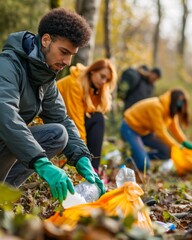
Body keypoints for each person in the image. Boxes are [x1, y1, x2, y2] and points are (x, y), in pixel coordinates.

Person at [0, 8, 106, 203]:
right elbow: (5, 116)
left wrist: (83, 157)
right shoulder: (7, 65)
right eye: (63, 52)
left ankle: (2, 192)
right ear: (46, 40)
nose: (67, 61)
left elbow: (61, 119)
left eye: (72, 55)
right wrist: (41, 162)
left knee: (58, 133)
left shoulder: (45, 77)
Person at [57, 59, 117, 172]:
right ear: (93, 71)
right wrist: (82, 154)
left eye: (107, 79)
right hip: (50, 122)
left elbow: (88, 115)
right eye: (102, 76)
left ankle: (93, 169)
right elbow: (77, 121)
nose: (104, 82)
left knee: (97, 118)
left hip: (64, 122)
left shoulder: (92, 88)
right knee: (97, 119)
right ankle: (87, 168)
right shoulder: (74, 83)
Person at [120, 88, 192, 172]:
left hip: (145, 132)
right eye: (180, 102)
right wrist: (177, 146)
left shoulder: (171, 110)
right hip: (130, 128)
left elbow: (175, 129)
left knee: (169, 152)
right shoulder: (156, 106)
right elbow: (160, 132)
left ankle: (139, 156)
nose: (180, 105)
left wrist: (185, 142)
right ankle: (134, 159)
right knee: (144, 165)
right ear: (174, 99)